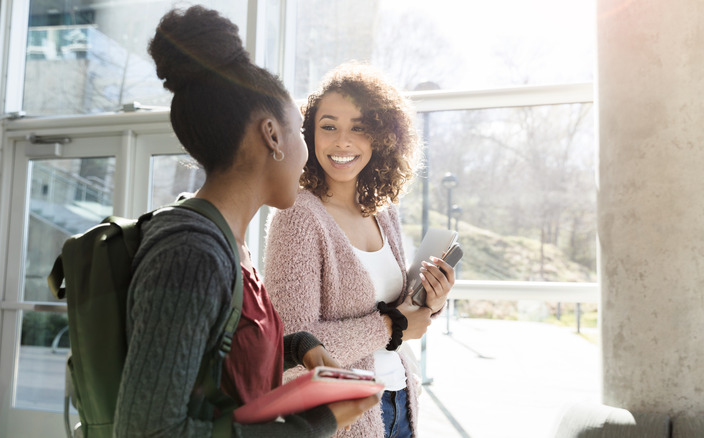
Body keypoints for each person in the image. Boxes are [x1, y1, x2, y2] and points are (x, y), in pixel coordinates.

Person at [113, 7, 379, 437]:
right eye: (300, 133)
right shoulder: (190, 253)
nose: (308, 153)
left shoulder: (229, 245)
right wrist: (313, 426)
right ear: (272, 135)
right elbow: (149, 431)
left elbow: (227, 359)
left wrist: (300, 348)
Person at [264, 63, 456, 438]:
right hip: (345, 419)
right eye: (329, 126)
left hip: (402, 402)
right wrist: (391, 326)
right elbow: (290, 347)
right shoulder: (297, 216)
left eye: (359, 127)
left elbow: (401, 307)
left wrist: (433, 298)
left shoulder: (384, 212)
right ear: (308, 134)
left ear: (382, 138)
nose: (342, 142)